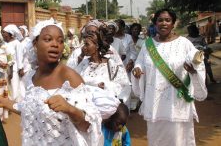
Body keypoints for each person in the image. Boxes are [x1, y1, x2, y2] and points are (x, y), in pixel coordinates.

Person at [0, 19, 103, 145]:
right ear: (35, 44)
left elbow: (89, 126)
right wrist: (4, 102)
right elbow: (31, 110)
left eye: (60, 41)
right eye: (48, 39)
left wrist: (70, 109)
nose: (55, 44)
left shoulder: (70, 77)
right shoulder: (31, 77)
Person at [132, 9, 207, 146]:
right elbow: (140, 63)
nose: (164, 23)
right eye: (160, 20)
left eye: (167, 20)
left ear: (173, 24)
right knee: (157, 139)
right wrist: (137, 70)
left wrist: (193, 70)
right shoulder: (148, 45)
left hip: (177, 102)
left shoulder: (184, 43)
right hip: (155, 103)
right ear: (155, 24)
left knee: (178, 139)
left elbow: (197, 62)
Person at [75, 27, 131, 104]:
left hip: (106, 105)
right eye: (84, 44)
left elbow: (124, 85)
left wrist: (106, 86)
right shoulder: (84, 64)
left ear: (97, 46)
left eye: (86, 44)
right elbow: (74, 81)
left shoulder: (111, 65)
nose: (84, 48)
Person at [1, 24, 24, 102]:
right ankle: (9, 101)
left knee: (14, 85)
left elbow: (19, 56)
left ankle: (15, 102)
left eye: (4, 32)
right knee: (7, 85)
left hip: (14, 68)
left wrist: (20, 68)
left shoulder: (16, 43)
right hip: (4, 68)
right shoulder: (4, 43)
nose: (3, 34)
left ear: (10, 34)